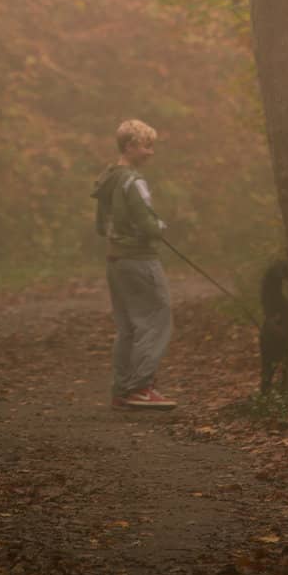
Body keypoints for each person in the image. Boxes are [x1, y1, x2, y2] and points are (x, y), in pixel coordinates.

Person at [91, 119, 177, 410]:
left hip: (115, 259)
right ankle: (140, 387)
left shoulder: (109, 179)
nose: (150, 153)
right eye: (146, 146)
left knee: (128, 325)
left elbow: (101, 227)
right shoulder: (134, 181)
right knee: (157, 317)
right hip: (140, 259)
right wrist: (160, 226)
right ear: (130, 146)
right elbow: (148, 225)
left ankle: (122, 389)